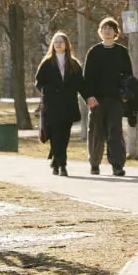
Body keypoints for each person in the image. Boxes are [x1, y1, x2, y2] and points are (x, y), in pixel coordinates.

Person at [81, 17, 134, 177]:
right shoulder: (94, 52)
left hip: (116, 100)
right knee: (96, 132)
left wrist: (126, 95)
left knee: (115, 132)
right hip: (97, 100)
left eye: (111, 28)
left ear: (116, 32)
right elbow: (87, 78)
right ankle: (95, 164)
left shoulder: (121, 52)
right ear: (100, 32)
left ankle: (117, 165)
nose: (107, 31)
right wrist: (89, 97)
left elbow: (128, 76)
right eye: (104, 28)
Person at [35, 32, 84, 176]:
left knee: (64, 135)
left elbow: (81, 83)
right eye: (56, 42)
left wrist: (89, 97)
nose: (58, 44)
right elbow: (39, 82)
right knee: (55, 134)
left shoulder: (73, 64)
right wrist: (49, 90)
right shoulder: (47, 62)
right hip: (52, 104)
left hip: (68, 104)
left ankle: (56, 160)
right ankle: (62, 165)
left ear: (66, 44)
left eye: (61, 41)